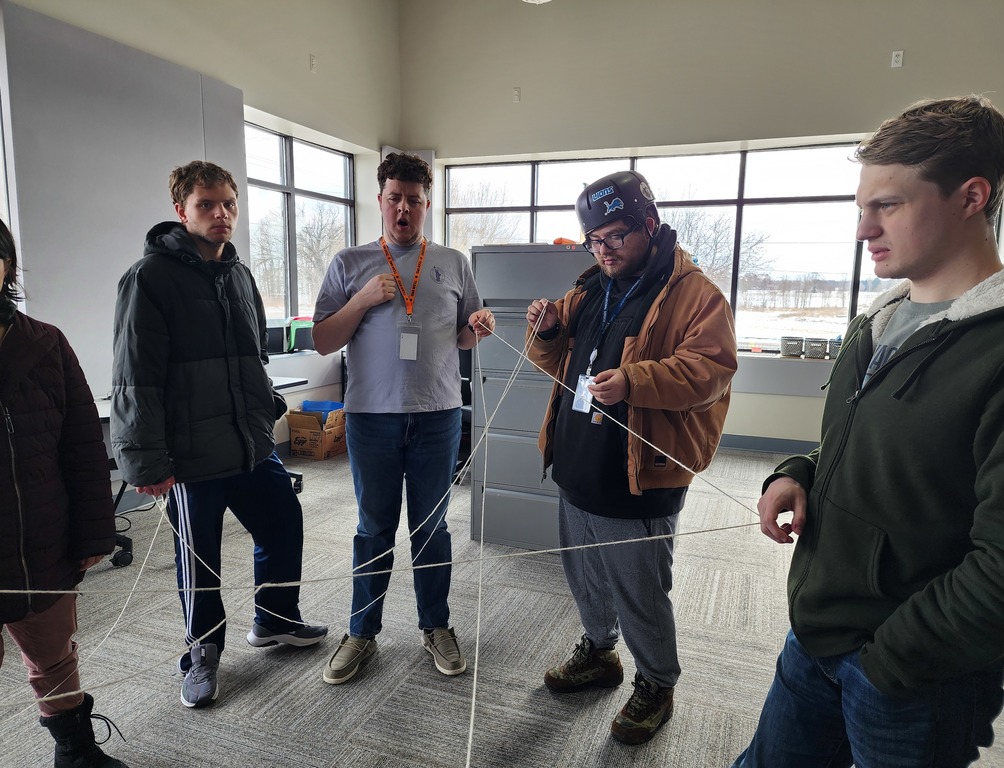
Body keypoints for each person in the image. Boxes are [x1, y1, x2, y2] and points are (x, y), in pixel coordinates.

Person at [732, 95, 1004, 767]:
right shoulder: (880, 321)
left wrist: (891, 660)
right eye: (862, 207)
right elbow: (867, 445)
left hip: (910, 674)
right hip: (817, 633)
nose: (864, 229)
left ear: (971, 197)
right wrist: (800, 471)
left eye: (887, 205)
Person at [525, 170, 737, 745]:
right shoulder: (589, 288)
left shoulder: (695, 294)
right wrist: (547, 331)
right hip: (577, 464)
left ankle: (657, 683)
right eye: (594, 240)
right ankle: (599, 652)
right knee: (586, 577)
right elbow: (552, 362)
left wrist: (633, 381)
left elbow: (711, 372)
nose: (604, 250)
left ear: (649, 223)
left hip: (641, 474)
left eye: (616, 236)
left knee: (639, 590)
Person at [110, 161, 327, 709]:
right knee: (199, 561)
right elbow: (135, 376)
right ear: (181, 211)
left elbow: (253, 358)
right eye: (206, 204)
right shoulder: (148, 278)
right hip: (189, 455)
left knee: (283, 523)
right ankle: (202, 654)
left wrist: (266, 408)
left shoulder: (239, 275)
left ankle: (275, 619)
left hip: (249, 443)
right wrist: (146, 461)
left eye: (228, 203)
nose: (221, 213)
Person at [312, 152, 493, 685]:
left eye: (414, 200)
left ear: (426, 204)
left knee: (431, 527)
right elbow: (323, 339)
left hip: (438, 415)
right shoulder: (349, 263)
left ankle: (435, 625)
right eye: (395, 198)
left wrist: (478, 328)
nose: (404, 209)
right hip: (372, 419)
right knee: (374, 528)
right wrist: (363, 300)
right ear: (381, 200)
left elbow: (464, 336)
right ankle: (361, 632)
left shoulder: (453, 262)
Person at [0, 219, 128, 766]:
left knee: (54, 656)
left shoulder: (45, 343)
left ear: (6, 264)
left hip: (41, 541)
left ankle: (75, 752)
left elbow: (82, 447)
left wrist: (95, 532)